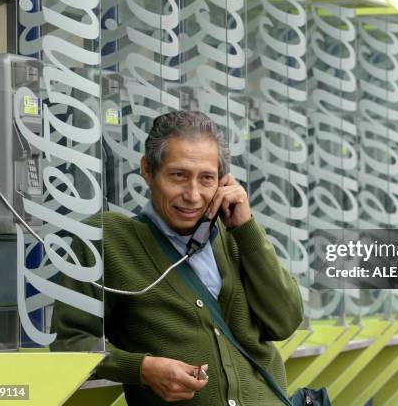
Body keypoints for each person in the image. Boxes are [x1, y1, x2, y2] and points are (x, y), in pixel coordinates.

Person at [50, 111, 304, 405]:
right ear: (148, 170)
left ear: (223, 182)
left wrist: (246, 230)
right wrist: (142, 369)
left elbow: (285, 322)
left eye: (206, 178)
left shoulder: (236, 236)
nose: (193, 195)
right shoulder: (106, 239)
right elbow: (71, 344)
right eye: (179, 176)